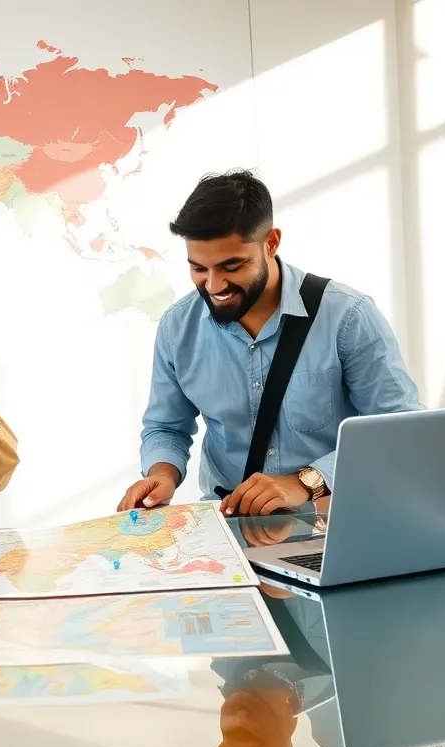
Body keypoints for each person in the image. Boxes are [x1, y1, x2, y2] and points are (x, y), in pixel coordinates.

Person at [118, 170, 421, 517]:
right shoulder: (177, 327)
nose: (214, 286)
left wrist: (306, 482)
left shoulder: (348, 316)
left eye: (232, 266)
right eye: (199, 269)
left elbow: (401, 431)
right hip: (230, 525)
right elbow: (165, 427)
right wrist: (162, 474)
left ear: (272, 243)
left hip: (333, 521)